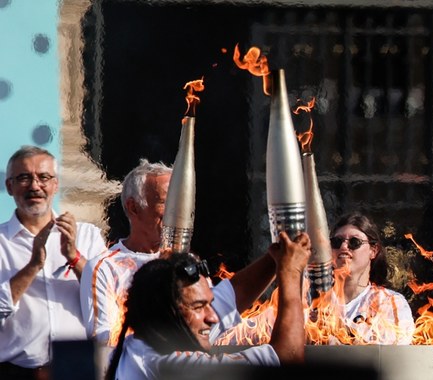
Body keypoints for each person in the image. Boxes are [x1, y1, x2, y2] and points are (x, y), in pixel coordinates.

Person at [105, 231, 310, 380]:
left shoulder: (144, 340)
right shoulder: (166, 362)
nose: (212, 317)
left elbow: (236, 293)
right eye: (198, 306)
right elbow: (287, 359)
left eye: (209, 304)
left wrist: (276, 257)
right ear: (167, 313)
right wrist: (291, 272)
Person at [0, 145, 107, 379]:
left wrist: (74, 257)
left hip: (79, 369)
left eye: (44, 177)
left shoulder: (87, 235)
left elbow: (108, 300)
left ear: (55, 185)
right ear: (10, 186)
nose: (35, 186)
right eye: (24, 178)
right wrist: (32, 267)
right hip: (18, 372)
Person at [81, 159, 173, 347]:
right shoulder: (105, 268)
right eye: (166, 202)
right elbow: (106, 341)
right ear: (133, 208)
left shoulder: (185, 261)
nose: (176, 211)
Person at [328, 212, 414, 345]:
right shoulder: (313, 301)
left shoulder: (390, 303)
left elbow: (394, 357)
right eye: (336, 242)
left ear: (373, 251)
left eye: (354, 242)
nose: (344, 247)